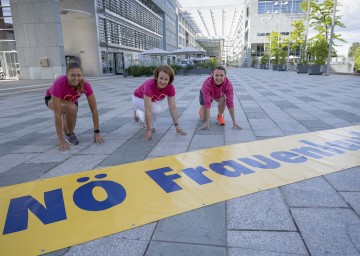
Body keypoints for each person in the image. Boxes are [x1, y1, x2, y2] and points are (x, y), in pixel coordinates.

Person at [45, 62, 104, 151]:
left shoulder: (85, 85)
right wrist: (60, 139)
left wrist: (96, 132)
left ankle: (69, 133)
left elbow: (94, 109)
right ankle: (68, 134)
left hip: (71, 102)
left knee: (71, 115)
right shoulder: (59, 83)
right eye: (72, 75)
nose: (76, 78)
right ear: (67, 75)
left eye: (79, 75)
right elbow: (57, 114)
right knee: (71, 108)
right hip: (52, 100)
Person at [132, 65, 186, 141]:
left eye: (166, 79)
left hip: (150, 100)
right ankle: (139, 112)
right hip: (138, 98)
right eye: (161, 78)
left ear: (170, 80)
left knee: (153, 111)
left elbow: (172, 107)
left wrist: (177, 127)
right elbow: (148, 110)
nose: (163, 82)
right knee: (156, 109)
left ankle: (138, 112)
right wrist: (148, 130)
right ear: (156, 77)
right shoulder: (149, 86)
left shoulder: (170, 88)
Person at [198, 66, 242, 130]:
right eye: (216, 75)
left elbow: (230, 102)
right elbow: (207, 102)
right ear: (212, 75)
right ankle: (202, 110)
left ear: (225, 76)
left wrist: (234, 122)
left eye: (221, 75)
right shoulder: (206, 84)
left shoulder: (228, 84)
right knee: (204, 119)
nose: (219, 78)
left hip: (218, 95)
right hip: (205, 95)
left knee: (223, 99)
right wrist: (207, 122)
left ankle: (220, 116)